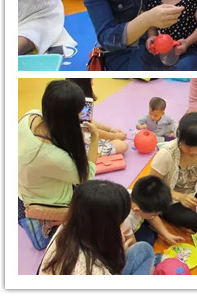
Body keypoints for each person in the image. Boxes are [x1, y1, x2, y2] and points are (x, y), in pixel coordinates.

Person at [18, 80, 100, 249]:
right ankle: (41, 223)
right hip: (42, 202)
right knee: (92, 213)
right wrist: (95, 139)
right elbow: (86, 175)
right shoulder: (51, 156)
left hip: (27, 185)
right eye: (79, 111)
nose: (82, 114)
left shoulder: (31, 116)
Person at [39, 180, 155, 275]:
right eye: (120, 220)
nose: (122, 223)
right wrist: (119, 253)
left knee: (144, 249)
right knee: (146, 251)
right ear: (106, 226)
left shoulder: (68, 227)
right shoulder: (93, 271)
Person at [67, 78, 129, 156]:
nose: (92, 83)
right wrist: (114, 136)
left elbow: (90, 122)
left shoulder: (69, 98)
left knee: (117, 141)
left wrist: (111, 129)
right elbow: (90, 129)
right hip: (79, 149)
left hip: (75, 141)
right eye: (91, 80)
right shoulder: (82, 103)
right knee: (123, 145)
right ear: (84, 83)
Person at [123, 175, 183, 247]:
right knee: (147, 241)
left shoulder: (136, 197)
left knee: (152, 233)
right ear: (137, 211)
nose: (156, 216)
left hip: (137, 221)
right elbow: (133, 245)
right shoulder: (125, 220)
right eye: (154, 214)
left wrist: (167, 234)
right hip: (122, 233)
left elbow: (153, 218)